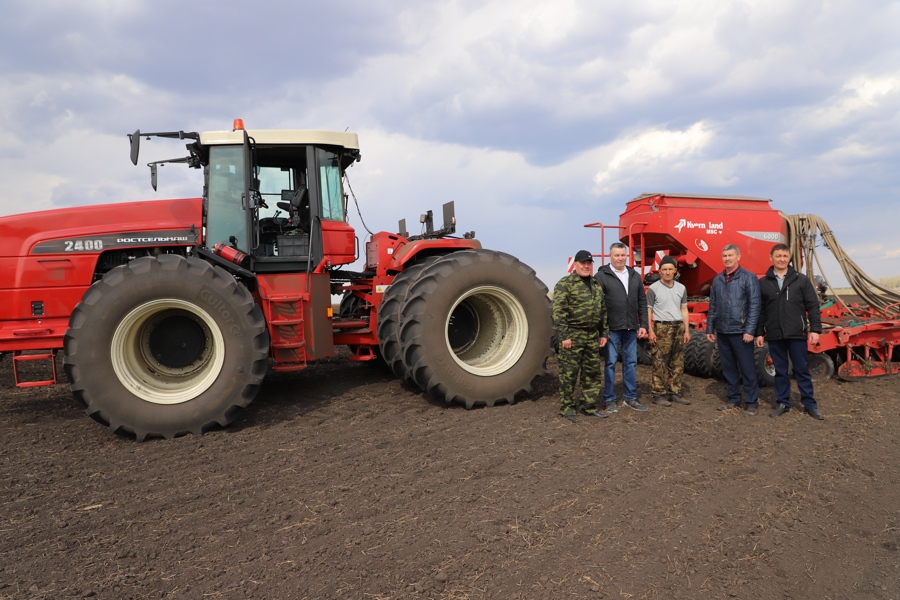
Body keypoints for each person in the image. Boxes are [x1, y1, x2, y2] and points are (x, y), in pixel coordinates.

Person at [755, 243, 825, 420]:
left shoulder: (800, 280)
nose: (781, 259)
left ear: (789, 258)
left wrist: (815, 329)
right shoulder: (763, 283)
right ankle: (783, 403)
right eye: (778, 256)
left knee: (801, 370)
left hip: (797, 333)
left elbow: (813, 306)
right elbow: (760, 310)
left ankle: (809, 404)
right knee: (780, 371)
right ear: (771, 258)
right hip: (775, 334)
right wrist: (759, 332)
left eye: (785, 256)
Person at [552, 250, 609, 423]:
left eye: (589, 263)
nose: (586, 266)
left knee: (592, 374)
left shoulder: (596, 284)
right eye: (582, 263)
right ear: (575, 264)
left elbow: (603, 310)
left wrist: (603, 333)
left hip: (592, 336)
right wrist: (564, 336)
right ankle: (567, 408)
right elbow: (559, 312)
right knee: (569, 374)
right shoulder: (565, 284)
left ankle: (589, 406)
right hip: (573, 336)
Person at [706, 244, 761, 415]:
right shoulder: (718, 280)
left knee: (747, 368)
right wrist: (710, 327)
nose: (727, 258)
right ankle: (734, 398)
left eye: (730, 255)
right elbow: (713, 305)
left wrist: (750, 330)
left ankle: (751, 402)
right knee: (728, 368)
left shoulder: (748, 278)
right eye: (724, 256)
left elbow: (754, 305)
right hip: (723, 331)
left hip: (741, 331)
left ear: (738, 256)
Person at [595, 242, 649, 412]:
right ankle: (610, 399)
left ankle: (630, 398)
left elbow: (642, 300)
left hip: (631, 327)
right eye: (616, 255)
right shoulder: (601, 276)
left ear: (626, 256)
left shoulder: (634, 275)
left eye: (622, 255)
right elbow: (599, 306)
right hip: (612, 328)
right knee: (610, 363)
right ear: (610, 256)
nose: (620, 258)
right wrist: (602, 329)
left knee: (631, 363)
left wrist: (644, 324)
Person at [647, 256, 692, 406]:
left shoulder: (681, 288)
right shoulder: (654, 288)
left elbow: (684, 309)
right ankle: (658, 394)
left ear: (675, 271)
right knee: (659, 362)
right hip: (661, 328)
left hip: (678, 327)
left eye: (670, 269)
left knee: (678, 362)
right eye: (664, 269)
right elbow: (649, 310)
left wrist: (686, 330)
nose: (667, 272)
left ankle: (675, 392)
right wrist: (651, 330)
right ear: (660, 271)